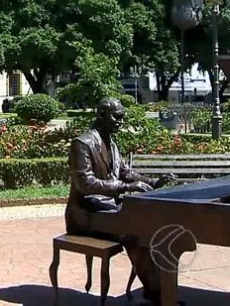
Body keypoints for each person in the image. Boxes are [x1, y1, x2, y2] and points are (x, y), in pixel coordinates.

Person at [65, 98, 175, 305]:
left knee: (150, 226)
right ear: (101, 115)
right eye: (117, 117)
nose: (121, 121)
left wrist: (153, 181)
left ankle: (160, 290)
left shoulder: (111, 143)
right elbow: (85, 183)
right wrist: (124, 188)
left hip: (105, 209)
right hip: (85, 215)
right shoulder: (82, 143)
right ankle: (156, 295)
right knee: (133, 231)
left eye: (123, 118)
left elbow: (125, 172)